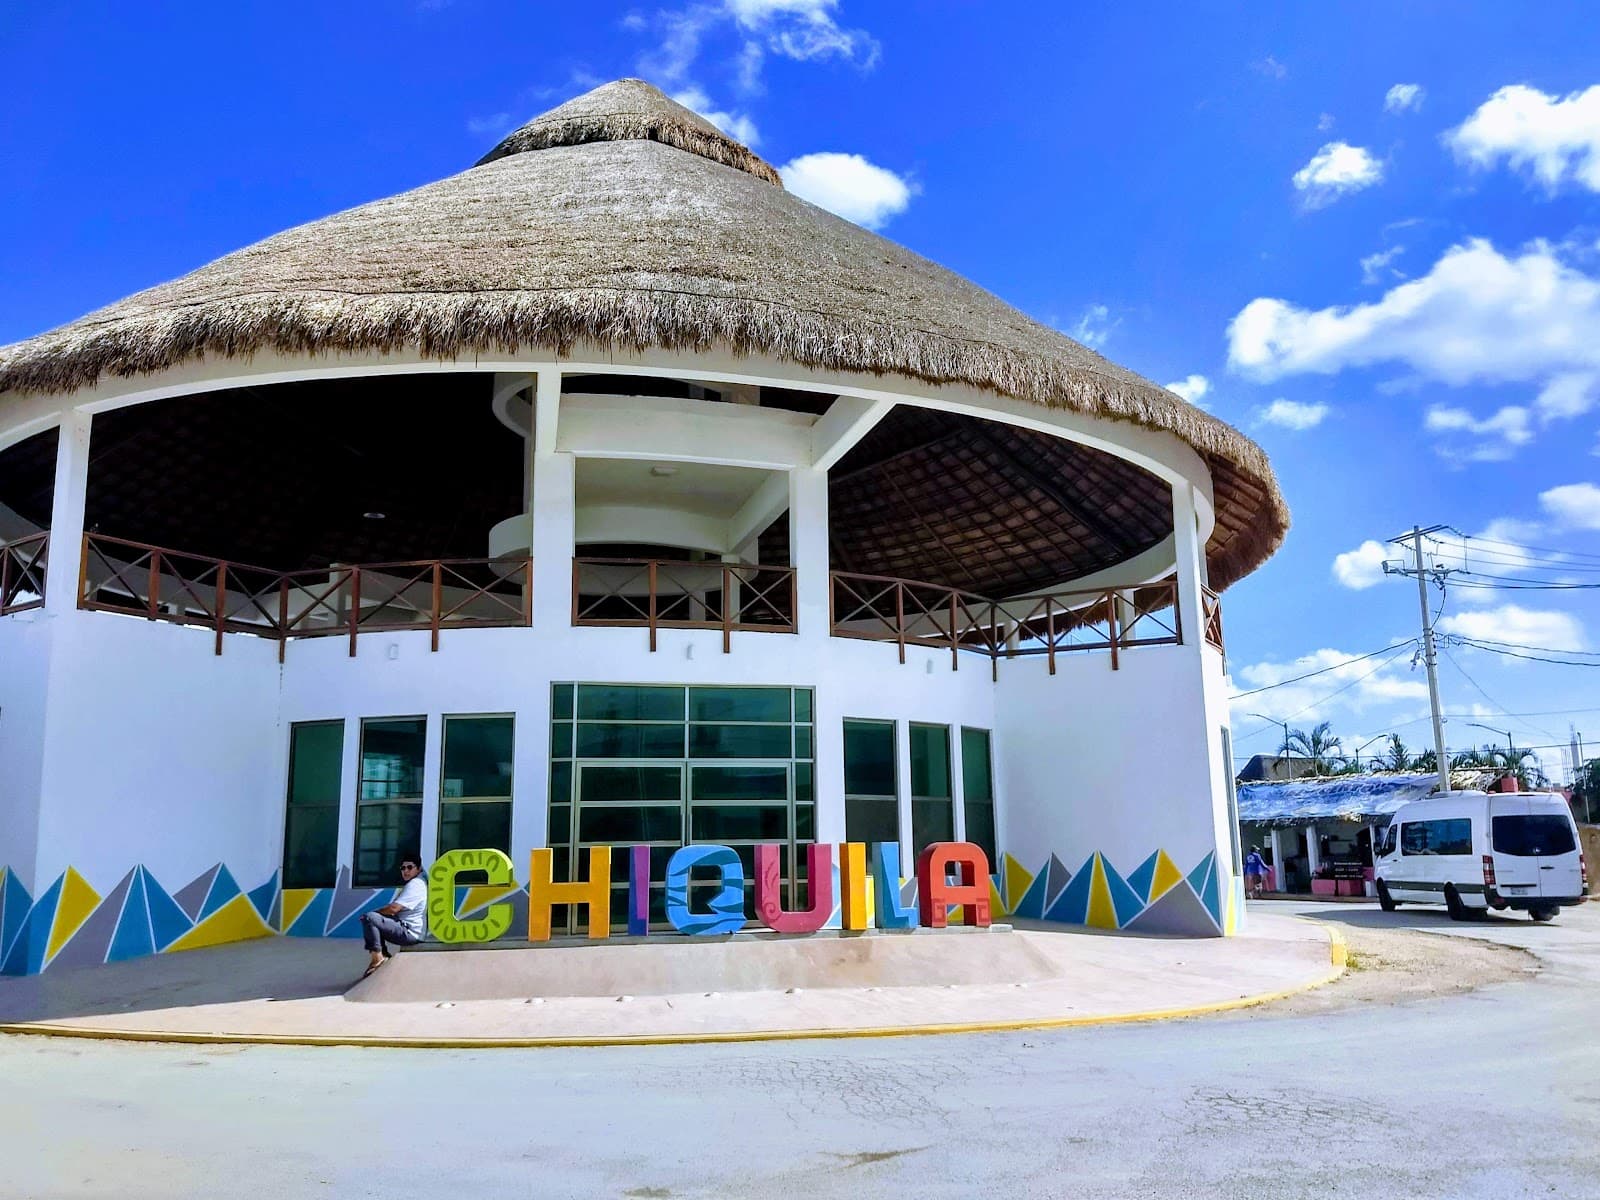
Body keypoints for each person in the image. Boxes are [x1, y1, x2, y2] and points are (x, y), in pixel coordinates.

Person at [360, 856, 428, 977]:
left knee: (370, 918)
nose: (405, 871)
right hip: (408, 928)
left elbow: (393, 909)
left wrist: (373, 913)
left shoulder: (416, 884)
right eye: (403, 868)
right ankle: (383, 955)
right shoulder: (419, 882)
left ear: (418, 869)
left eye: (410, 867)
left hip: (409, 932)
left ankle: (378, 959)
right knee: (374, 920)